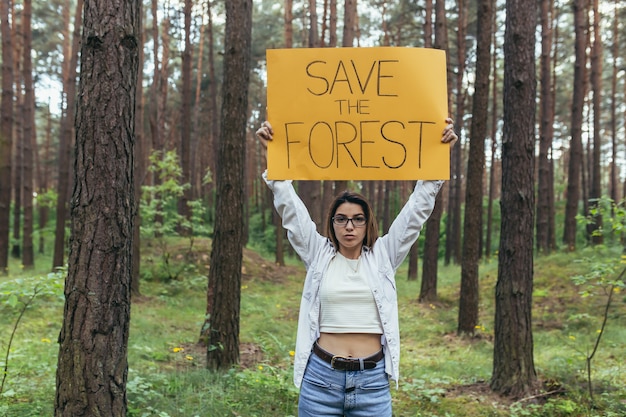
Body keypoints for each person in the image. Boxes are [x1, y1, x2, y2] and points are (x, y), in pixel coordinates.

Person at [256, 119, 458, 417]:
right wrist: (273, 156)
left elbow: (416, 213)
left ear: (367, 223)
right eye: (341, 219)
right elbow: (291, 209)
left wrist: (437, 154)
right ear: (332, 223)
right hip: (321, 382)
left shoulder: (383, 256)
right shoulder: (318, 254)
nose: (349, 226)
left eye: (357, 219)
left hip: (372, 384)